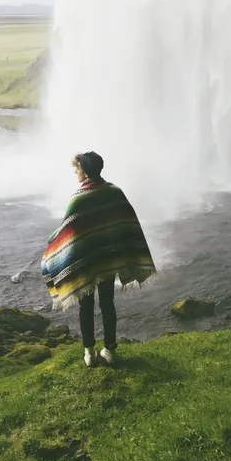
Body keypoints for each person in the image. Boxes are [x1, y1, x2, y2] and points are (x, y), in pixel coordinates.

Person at [41, 151, 156, 367]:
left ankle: (89, 352)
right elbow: (127, 222)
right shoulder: (115, 192)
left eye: (77, 169)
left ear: (84, 172)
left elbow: (67, 230)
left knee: (86, 306)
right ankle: (110, 350)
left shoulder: (78, 198)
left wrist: (51, 243)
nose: (76, 173)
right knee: (107, 303)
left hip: (87, 261)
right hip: (109, 259)